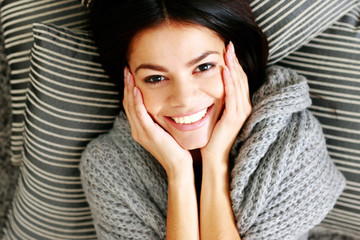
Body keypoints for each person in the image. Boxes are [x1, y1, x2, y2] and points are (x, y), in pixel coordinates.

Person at [80, 0, 346, 239]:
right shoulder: (108, 166)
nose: (183, 98)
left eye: (204, 67)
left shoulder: (292, 140)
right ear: (129, 83)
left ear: (237, 61)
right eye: (156, 78)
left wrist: (215, 160)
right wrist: (178, 172)